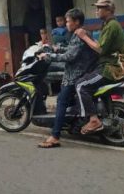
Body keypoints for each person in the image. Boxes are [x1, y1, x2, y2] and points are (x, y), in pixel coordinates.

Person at [36, 8, 97, 148]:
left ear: (76, 22)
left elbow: (70, 57)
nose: (66, 24)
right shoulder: (78, 34)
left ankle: (55, 136)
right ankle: (74, 124)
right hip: (80, 72)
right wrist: (57, 49)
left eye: (68, 21)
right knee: (62, 100)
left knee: (61, 102)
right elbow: (72, 50)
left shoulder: (80, 34)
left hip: (76, 75)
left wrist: (48, 57)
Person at [74, 0, 124, 134]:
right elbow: (101, 44)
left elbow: (100, 49)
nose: (96, 11)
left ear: (108, 10)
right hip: (111, 66)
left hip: (111, 69)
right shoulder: (108, 24)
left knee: (81, 85)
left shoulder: (111, 26)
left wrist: (83, 37)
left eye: (99, 8)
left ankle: (93, 120)